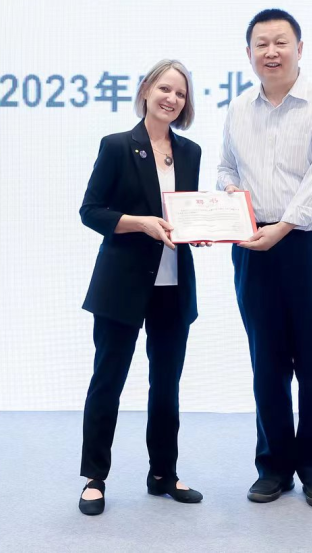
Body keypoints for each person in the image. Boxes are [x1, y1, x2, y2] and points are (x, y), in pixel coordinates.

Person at [217, 9, 312, 508]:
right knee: (266, 362)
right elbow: (226, 166)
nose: (271, 52)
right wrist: (232, 194)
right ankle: (272, 467)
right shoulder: (238, 108)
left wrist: (284, 227)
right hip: (254, 245)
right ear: (248, 52)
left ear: (299, 48)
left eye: (280, 42)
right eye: (261, 44)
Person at [77, 59, 206, 515]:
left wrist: (198, 230)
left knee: (166, 385)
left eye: (181, 93)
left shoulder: (190, 152)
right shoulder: (117, 146)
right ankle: (94, 478)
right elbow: (91, 211)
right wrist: (141, 224)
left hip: (173, 283)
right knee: (107, 381)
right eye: (165, 88)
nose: (172, 98)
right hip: (122, 284)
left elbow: (184, 213)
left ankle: (163, 474)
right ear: (147, 90)